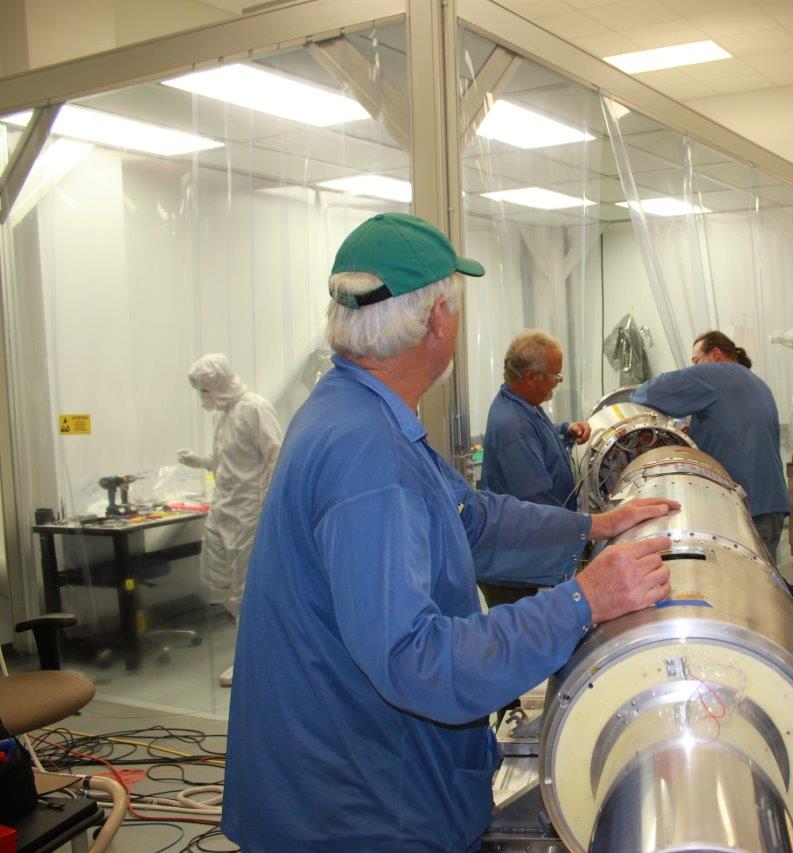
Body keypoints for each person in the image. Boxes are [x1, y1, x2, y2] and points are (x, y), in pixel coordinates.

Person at [221, 213, 677, 852]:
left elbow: (470, 518)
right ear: (439, 319)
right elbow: (417, 661)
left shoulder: (354, 412)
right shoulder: (368, 457)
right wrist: (583, 601)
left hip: (349, 781)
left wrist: (590, 528)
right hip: (361, 813)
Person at [631, 330, 789, 563]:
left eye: (695, 361)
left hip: (743, 508)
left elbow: (651, 392)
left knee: (738, 587)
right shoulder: (756, 382)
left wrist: (632, 395)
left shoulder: (717, 374)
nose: (694, 367)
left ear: (715, 354)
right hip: (771, 505)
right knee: (765, 590)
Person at [177, 353, 282, 687]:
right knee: (220, 583)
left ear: (219, 383)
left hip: (249, 512)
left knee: (245, 587)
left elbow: (277, 456)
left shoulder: (255, 408)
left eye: (205, 389)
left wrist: (268, 506)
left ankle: (257, 657)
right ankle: (247, 649)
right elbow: (226, 461)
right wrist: (200, 462)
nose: (203, 397)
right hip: (222, 510)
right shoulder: (222, 416)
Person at [479, 330, 591, 607]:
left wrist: (566, 431)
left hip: (523, 557)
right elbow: (537, 501)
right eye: (555, 377)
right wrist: (586, 530)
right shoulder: (512, 425)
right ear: (531, 377)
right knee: (520, 639)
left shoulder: (524, 406)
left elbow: (541, 438)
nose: (556, 383)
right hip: (511, 568)